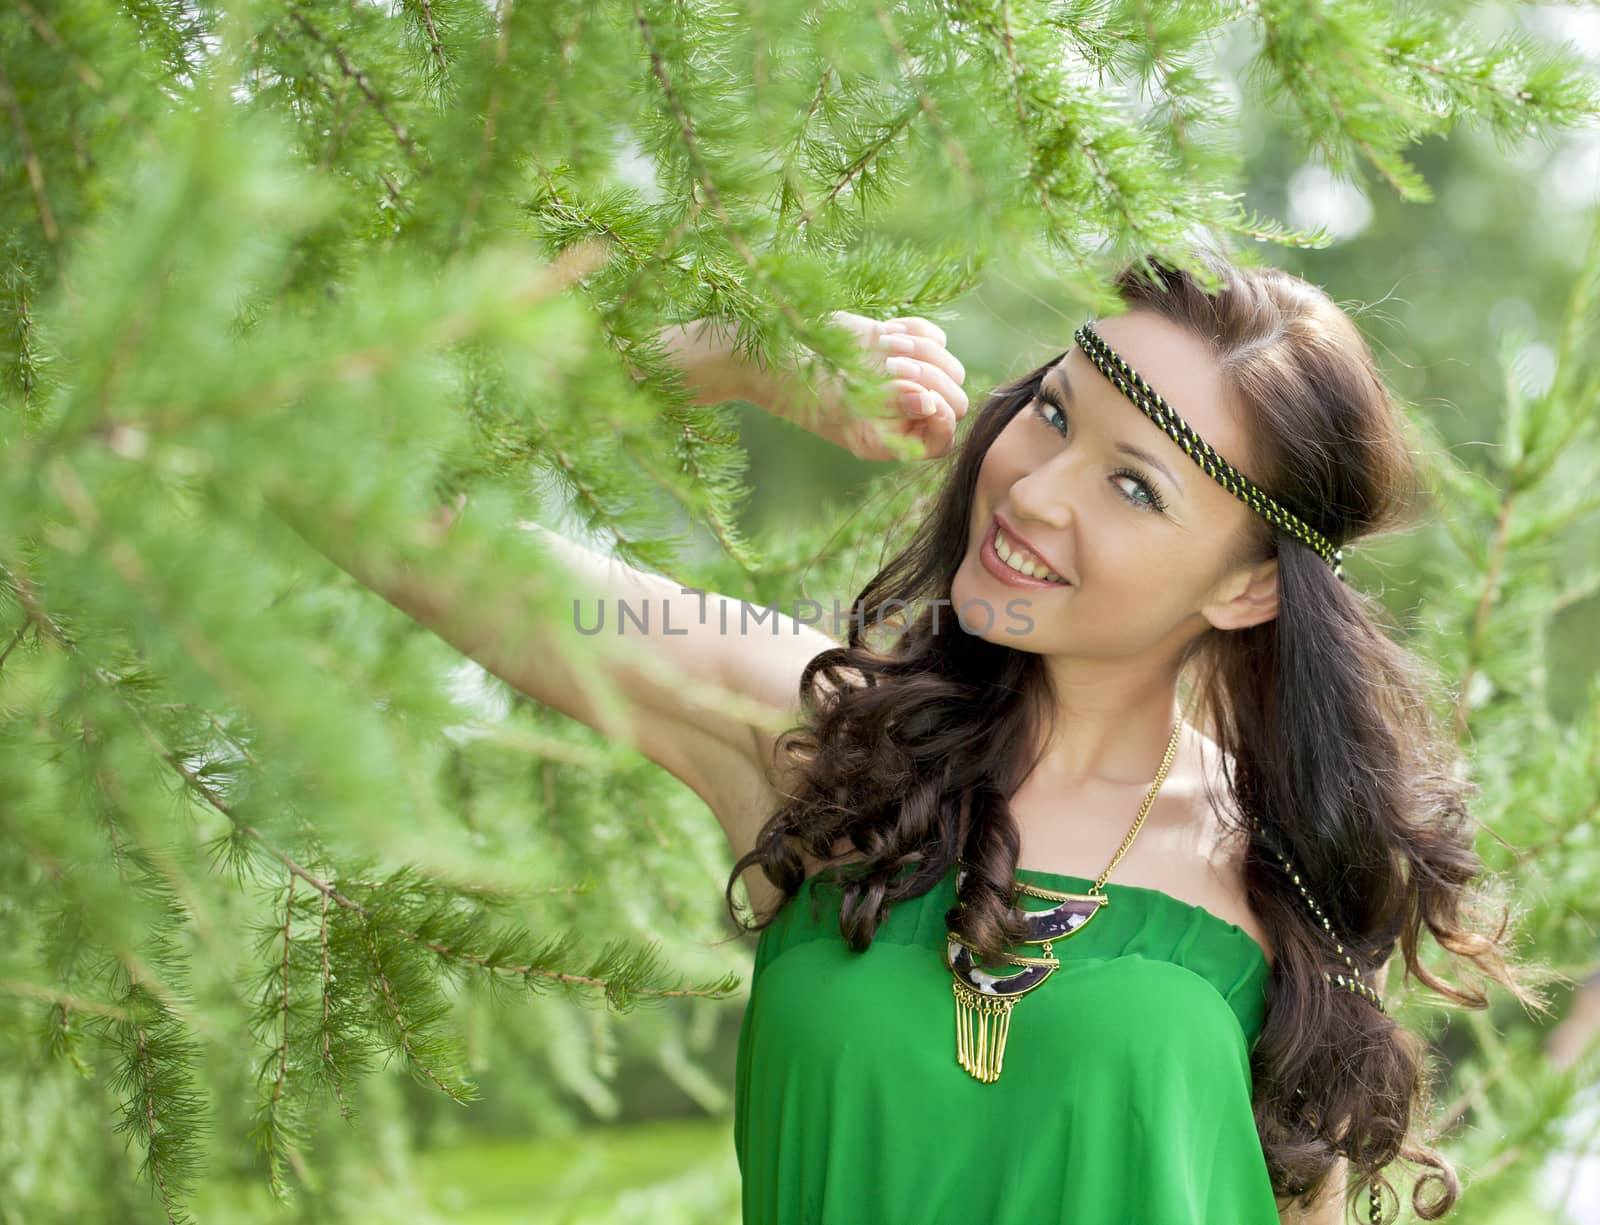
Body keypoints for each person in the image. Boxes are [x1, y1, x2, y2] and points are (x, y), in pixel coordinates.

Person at [290, 247, 1539, 1224]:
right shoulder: (818, 741)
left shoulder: (1289, 890)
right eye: (1052, 415)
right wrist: (729, 358)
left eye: (1133, 483)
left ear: (1245, 588)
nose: (1034, 489)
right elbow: (343, 475)